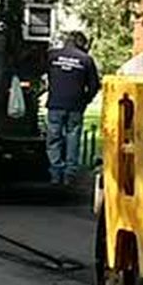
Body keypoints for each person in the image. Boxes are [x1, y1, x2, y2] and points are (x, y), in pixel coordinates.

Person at [44, 31, 100, 186]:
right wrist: (85, 101)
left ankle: (55, 173)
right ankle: (70, 174)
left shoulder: (52, 56)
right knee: (73, 139)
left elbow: (43, 73)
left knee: (54, 139)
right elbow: (95, 85)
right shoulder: (86, 60)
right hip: (76, 106)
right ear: (82, 43)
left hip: (55, 104)